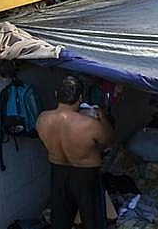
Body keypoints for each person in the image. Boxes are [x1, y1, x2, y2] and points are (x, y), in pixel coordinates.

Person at [36, 75, 114, 229]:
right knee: (93, 221)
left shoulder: (42, 119)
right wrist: (102, 116)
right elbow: (109, 140)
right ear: (80, 98)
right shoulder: (90, 125)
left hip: (58, 172)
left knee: (60, 221)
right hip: (86, 175)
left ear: (56, 95)